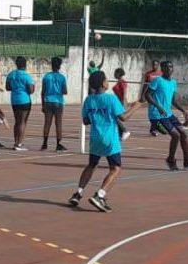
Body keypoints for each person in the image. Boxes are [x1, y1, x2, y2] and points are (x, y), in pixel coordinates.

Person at [68, 70, 142, 211]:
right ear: (103, 83)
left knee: (92, 165)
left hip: (95, 138)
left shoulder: (89, 100)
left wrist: (96, 115)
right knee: (116, 168)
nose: (108, 82)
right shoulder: (110, 99)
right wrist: (135, 107)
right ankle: (100, 195)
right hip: (109, 139)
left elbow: (85, 121)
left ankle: (78, 193)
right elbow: (124, 117)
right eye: (107, 80)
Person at [144, 61, 188, 170]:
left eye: (170, 66)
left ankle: (187, 161)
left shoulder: (173, 83)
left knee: (183, 134)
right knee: (176, 135)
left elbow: (173, 100)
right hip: (157, 115)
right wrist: (158, 106)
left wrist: (183, 110)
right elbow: (147, 95)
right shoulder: (157, 80)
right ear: (162, 69)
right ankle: (170, 159)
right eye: (166, 67)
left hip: (168, 115)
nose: (168, 68)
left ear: (173, 69)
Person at [4, 56, 35, 151]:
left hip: (14, 100)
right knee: (22, 122)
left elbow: (8, 87)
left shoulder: (11, 75)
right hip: (25, 100)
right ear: (25, 65)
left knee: (17, 121)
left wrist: (16, 87)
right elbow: (31, 90)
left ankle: (16, 142)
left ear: (16, 64)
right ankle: (19, 144)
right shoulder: (27, 76)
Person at [40, 56, 68, 152]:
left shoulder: (46, 76)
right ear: (59, 66)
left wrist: (43, 104)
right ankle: (58, 144)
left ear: (51, 65)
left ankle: (44, 143)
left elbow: (43, 92)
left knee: (47, 123)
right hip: (58, 102)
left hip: (48, 101)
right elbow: (65, 91)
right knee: (58, 123)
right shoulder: (62, 77)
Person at [111, 68, 132, 141]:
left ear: (119, 74)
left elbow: (124, 94)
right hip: (117, 102)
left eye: (115, 73)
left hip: (120, 103)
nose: (114, 74)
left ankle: (124, 131)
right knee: (114, 117)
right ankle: (121, 133)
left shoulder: (122, 82)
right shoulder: (119, 82)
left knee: (115, 117)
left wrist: (123, 104)